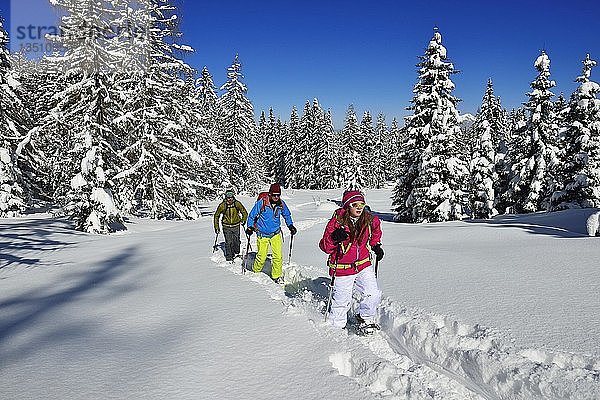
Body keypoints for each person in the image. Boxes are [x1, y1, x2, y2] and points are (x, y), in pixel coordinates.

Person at [319, 190, 384, 332]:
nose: (359, 207)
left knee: (373, 293)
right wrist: (334, 238)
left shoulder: (369, 219)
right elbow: (325, 246)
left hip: (363, 264)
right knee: (342, 300)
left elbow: (376, 231)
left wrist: (375, 245)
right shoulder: (337, 221)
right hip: (342, 266)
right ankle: (336, 326)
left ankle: (365, 318)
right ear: (348, 206)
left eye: (362, 204)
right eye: (355, 204)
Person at [246, 183, 297, 284]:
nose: (276, 197)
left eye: (278, 195)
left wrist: (290, 225)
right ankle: (255, 272)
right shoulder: (262, 203)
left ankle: (276, 276)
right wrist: (250, 227)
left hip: (275, 234)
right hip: (262, 234)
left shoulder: (281, 204)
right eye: (274, 195)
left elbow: (287, 215)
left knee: (278, 256)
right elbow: (252, 216)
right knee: (261, 256)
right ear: (270, 194)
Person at [213, 189, 248, 261]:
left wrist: (243, 220)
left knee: (236, 241)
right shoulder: (222, 205)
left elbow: (244, 212)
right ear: (225, 198)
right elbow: (216, 216)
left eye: (231, 197)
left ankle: (236, 252)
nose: (230, 199)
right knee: (228, 242)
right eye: (228, 197)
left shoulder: (237, 204)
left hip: (236, 225)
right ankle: (229, 257)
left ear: (233, 197)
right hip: (226, 226)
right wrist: (216, 227)